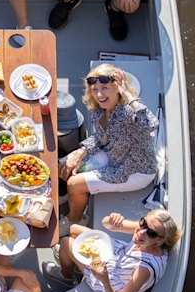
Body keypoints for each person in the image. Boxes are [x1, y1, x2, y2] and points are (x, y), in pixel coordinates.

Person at [43, 211, 181, 292]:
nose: (141, 231)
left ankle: (66, 276)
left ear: (159, 241)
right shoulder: (144, 233)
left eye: (150, 233)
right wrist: (111, 220)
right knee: (74, 229)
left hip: (113, 282)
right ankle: (72, 260)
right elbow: (109, 225)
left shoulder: (143, 270)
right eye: (143, 222)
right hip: (119, 257)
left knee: (66, 242)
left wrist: (105, 280)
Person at [58, 63, 158, 235]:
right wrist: (80, 153)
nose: (99, 94)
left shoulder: (129, 112)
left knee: (75, 183)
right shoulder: (99, 110)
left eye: (105, 88)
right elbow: (101, 137)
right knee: (65, 164)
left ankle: (76, 218)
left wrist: (127, 94)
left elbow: (151, 124)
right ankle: (71, 195)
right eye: (95, 89)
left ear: (117, 88)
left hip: (132, 171)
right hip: (113, 155)